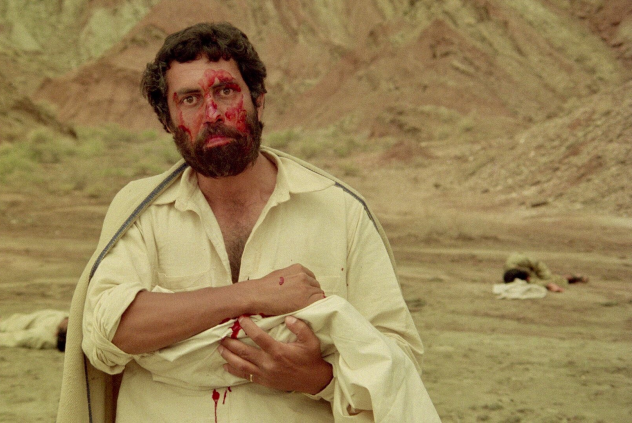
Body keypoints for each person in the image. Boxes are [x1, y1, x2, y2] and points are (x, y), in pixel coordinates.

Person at [57, 22, 439, 422]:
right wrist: (252, 295)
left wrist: (317, 379)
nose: (212, 114)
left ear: (258, 100)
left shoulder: (340, 210)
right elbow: (107, 332)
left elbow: (398, 362)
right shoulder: (141, 210)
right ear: (167, 120)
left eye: (226, 91)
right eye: (190, 99)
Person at [0, 306, 69, 351]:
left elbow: (15, 338)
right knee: (24, 320)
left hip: (50, 331)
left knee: (21, 329)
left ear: (56, 333)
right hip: (60, 320)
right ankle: (1, 323)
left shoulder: (42, 336)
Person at [503, 252, 588, 293]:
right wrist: (548, 284)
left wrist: (546, 277)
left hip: (536, 269)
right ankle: (569, 279)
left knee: (550, 278)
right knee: (545, 281)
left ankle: (573, 277)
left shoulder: (516, 259)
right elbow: (531, 281)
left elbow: (538, 264)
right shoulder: (511, 274)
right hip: (528, 274)